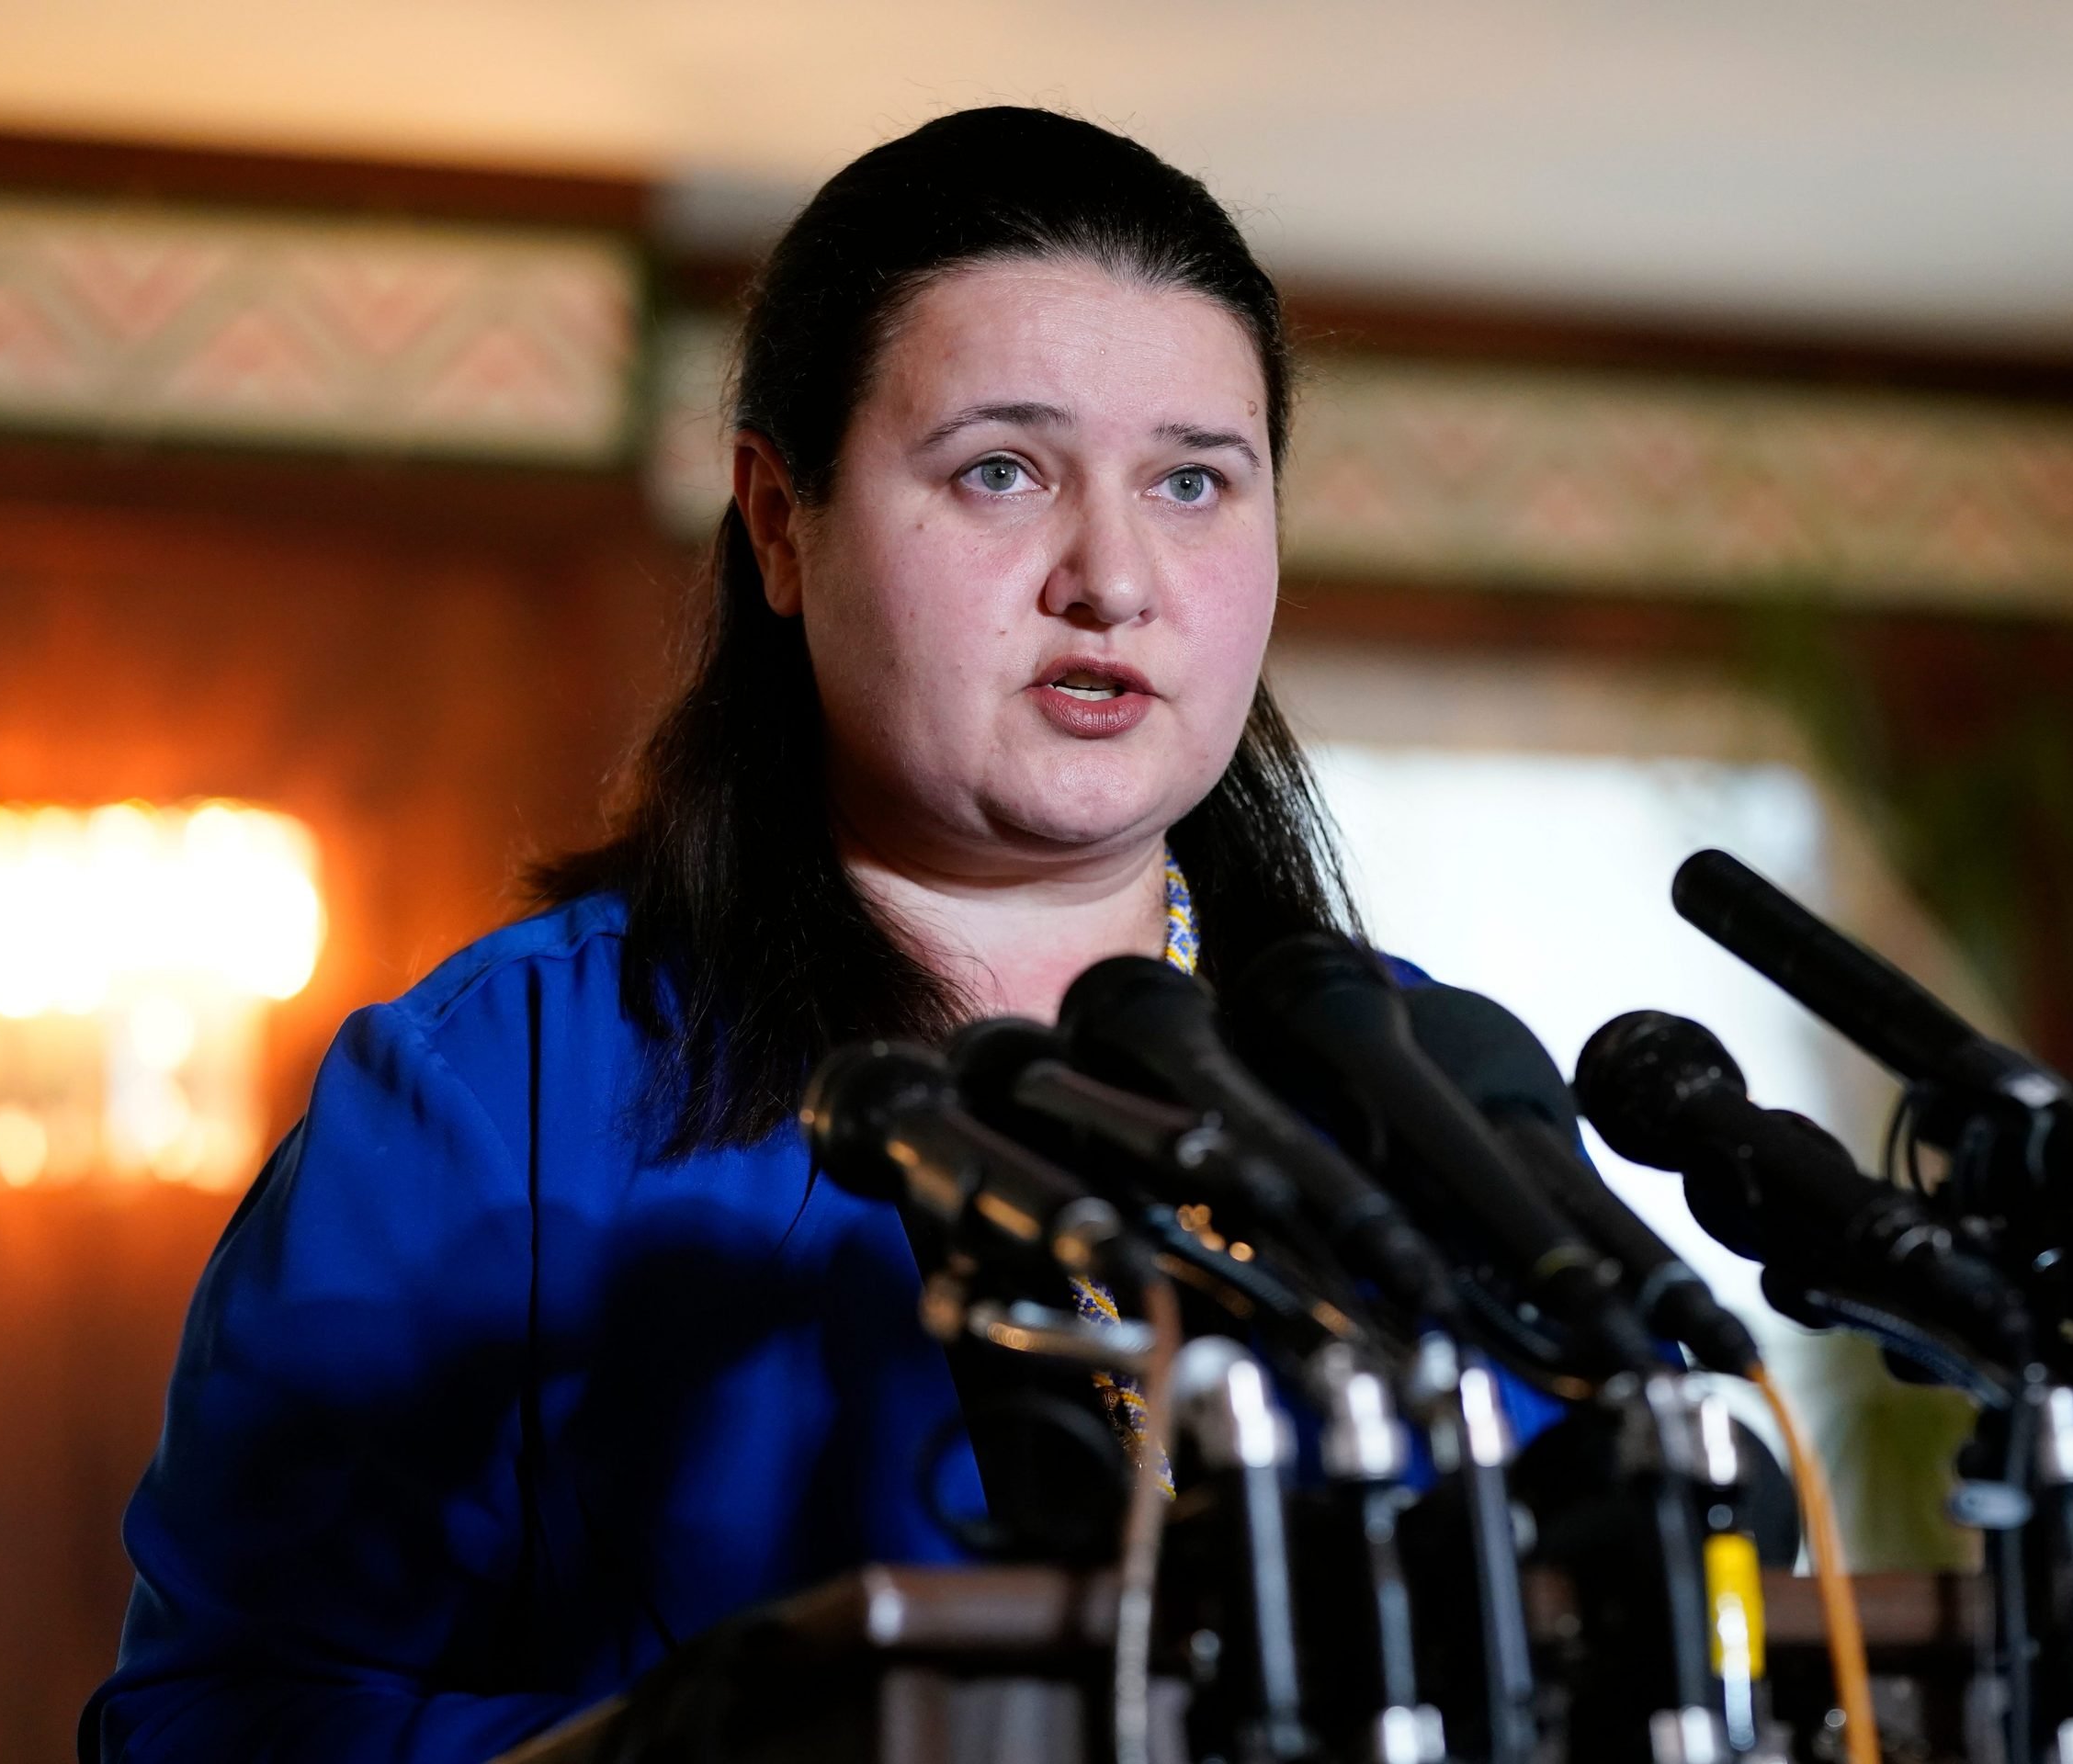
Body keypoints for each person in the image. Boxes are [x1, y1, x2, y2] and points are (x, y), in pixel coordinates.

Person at [81, 105, 1522, 1764]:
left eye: (1196, 480)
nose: (1113, 577)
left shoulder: (1419, 1088)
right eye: (1001, 470)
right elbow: (211, 1729)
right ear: (781, 521)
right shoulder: (503, 1090)